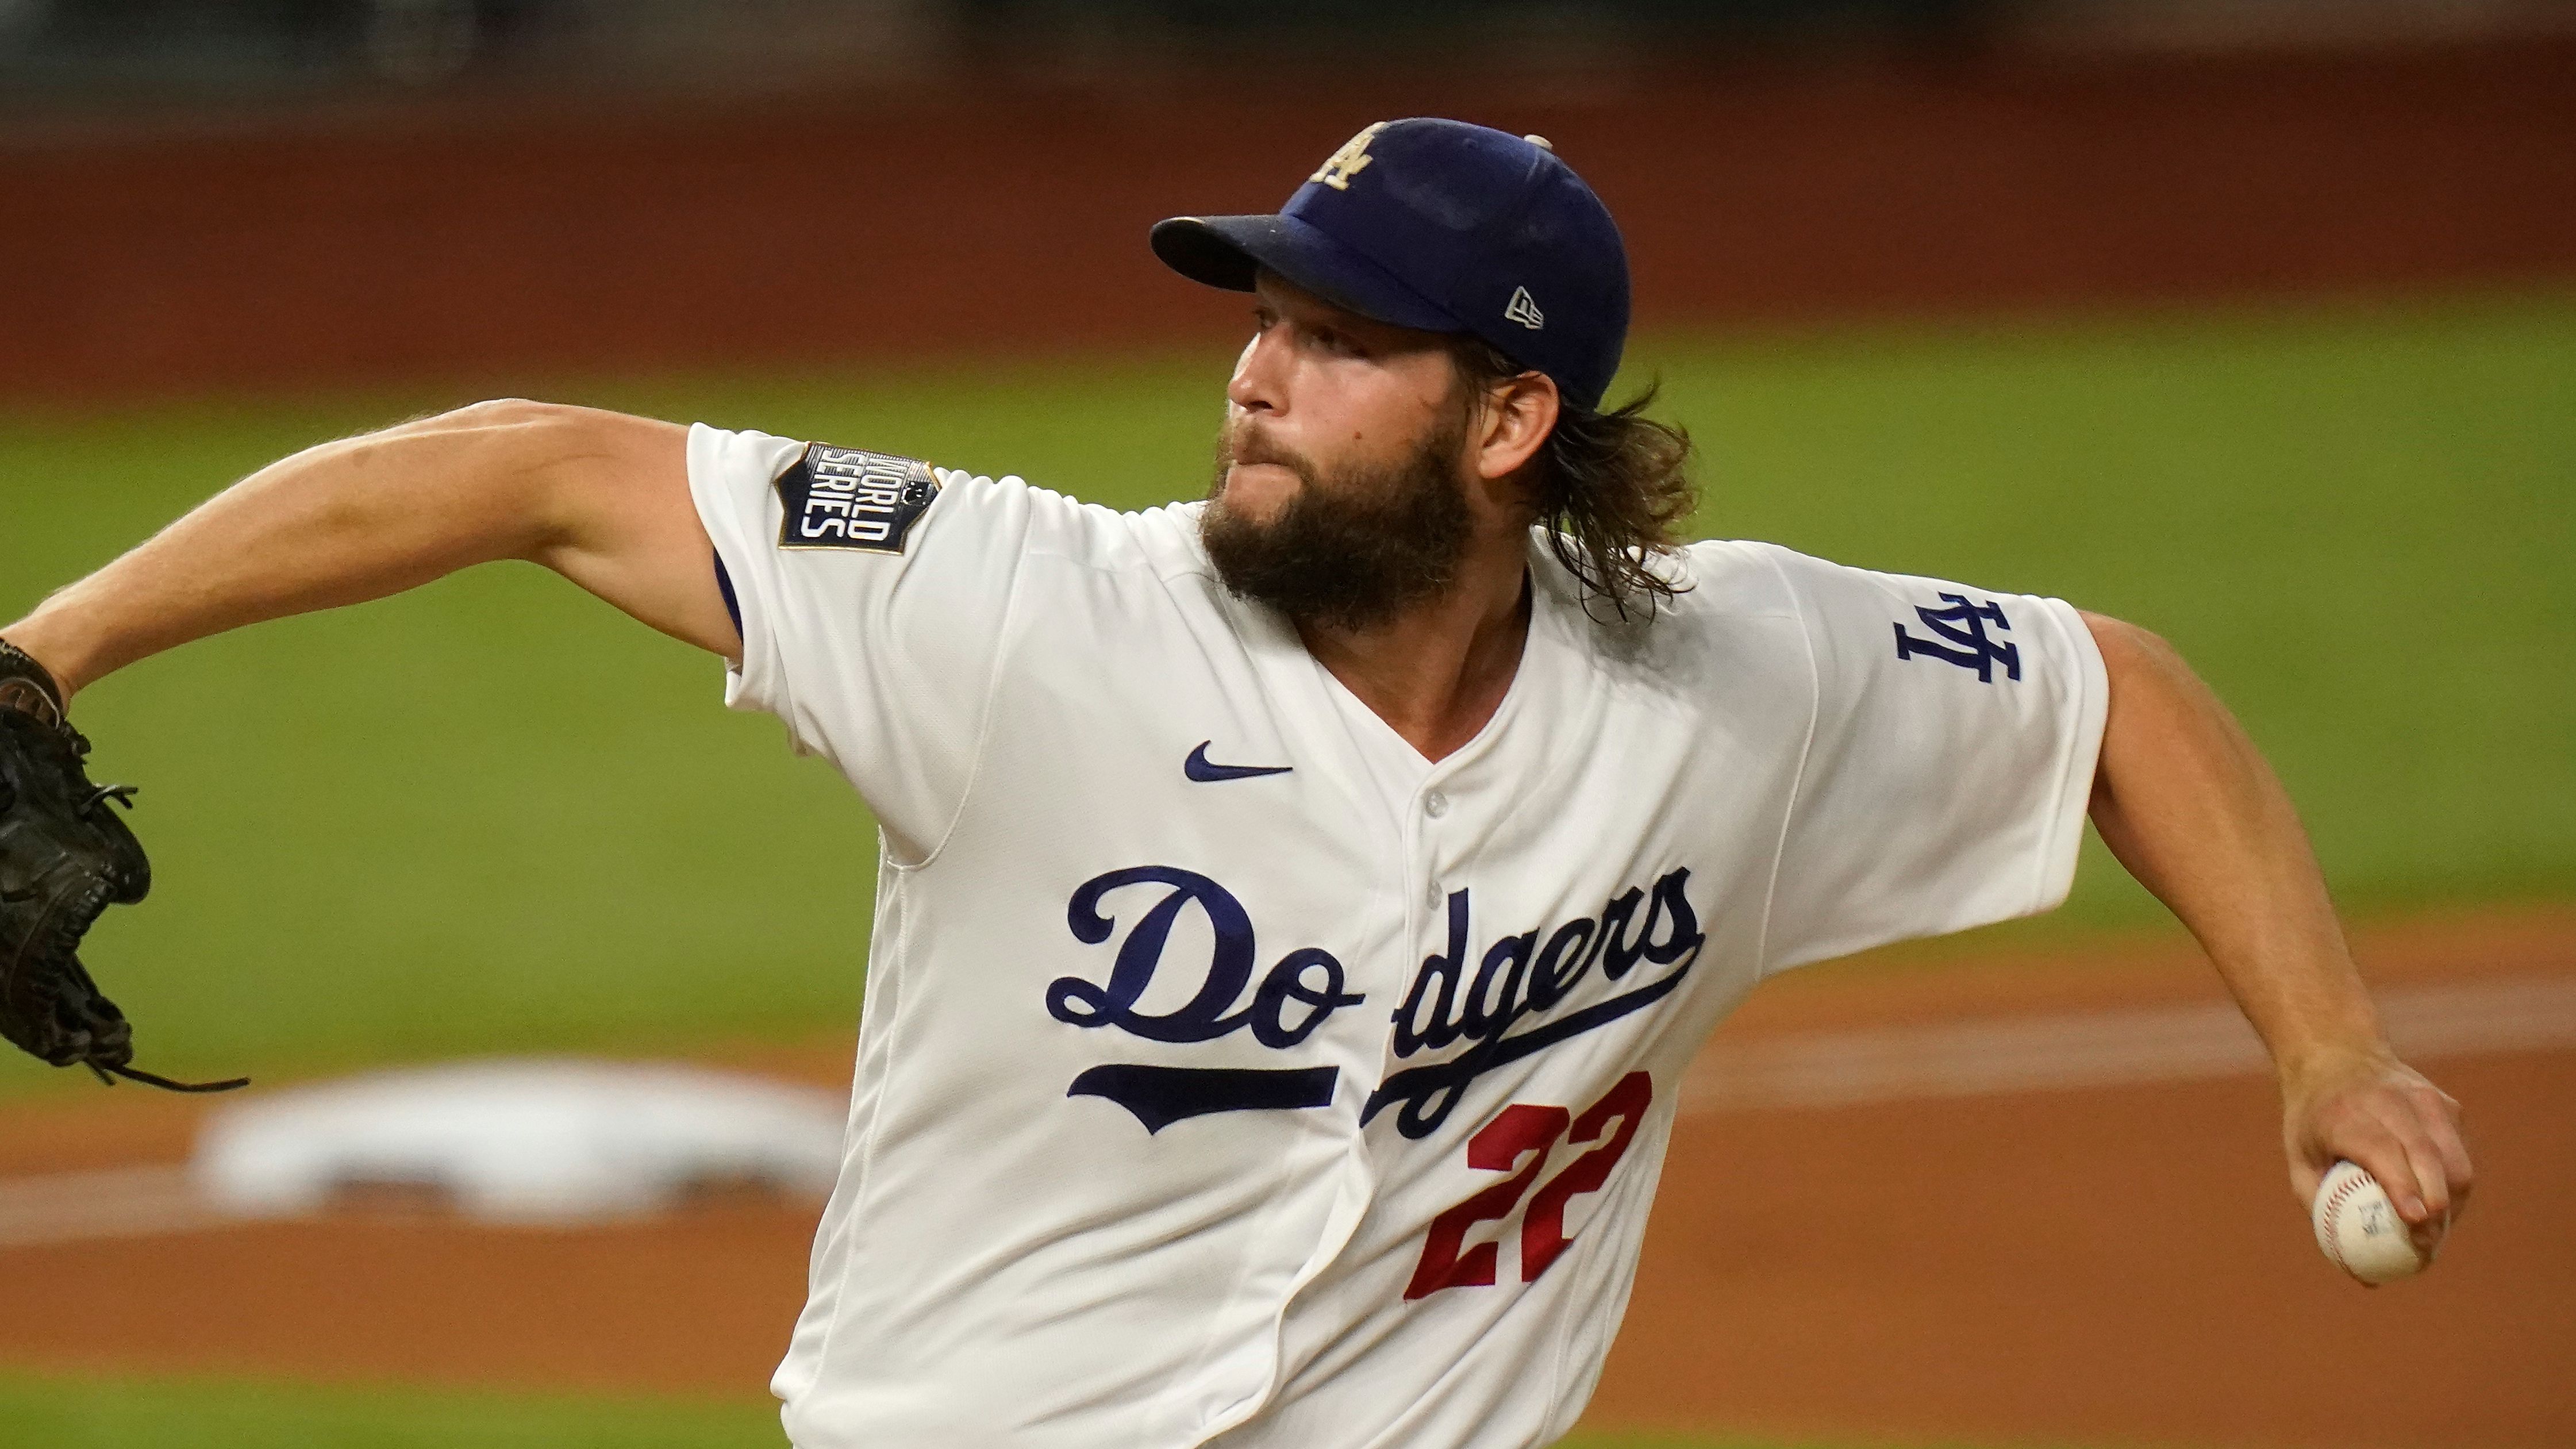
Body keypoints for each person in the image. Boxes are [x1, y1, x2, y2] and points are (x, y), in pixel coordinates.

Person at [2, 118, 2470, 1447]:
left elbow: (2109, 686)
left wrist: (2324, 1041)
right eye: (1259, 321)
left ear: (1510, 422)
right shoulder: (1019, 614)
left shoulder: (1740, 679)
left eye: (1335, 339)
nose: (1255, 377)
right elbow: (526, 467)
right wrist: (45, 648)